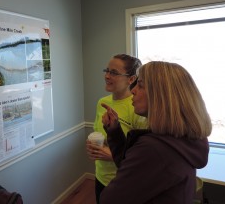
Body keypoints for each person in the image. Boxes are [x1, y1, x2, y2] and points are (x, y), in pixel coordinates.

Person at [100, 61, 212, 204]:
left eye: (140, 85)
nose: (133, 90)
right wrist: (114, 132)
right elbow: (128, 165)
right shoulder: (186, 139)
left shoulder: (154, 149)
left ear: (161, 95)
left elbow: (109, 200)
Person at [86, 54, 147, 204]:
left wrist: (113, 155)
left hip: (124, 182)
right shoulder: (102, 102)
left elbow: (142, 157)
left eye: (113, 72)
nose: (107, 76)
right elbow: (99, 133)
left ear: (131, 79)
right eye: (106, 70)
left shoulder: (138, 108)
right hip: (101, 176)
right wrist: (92, 145)